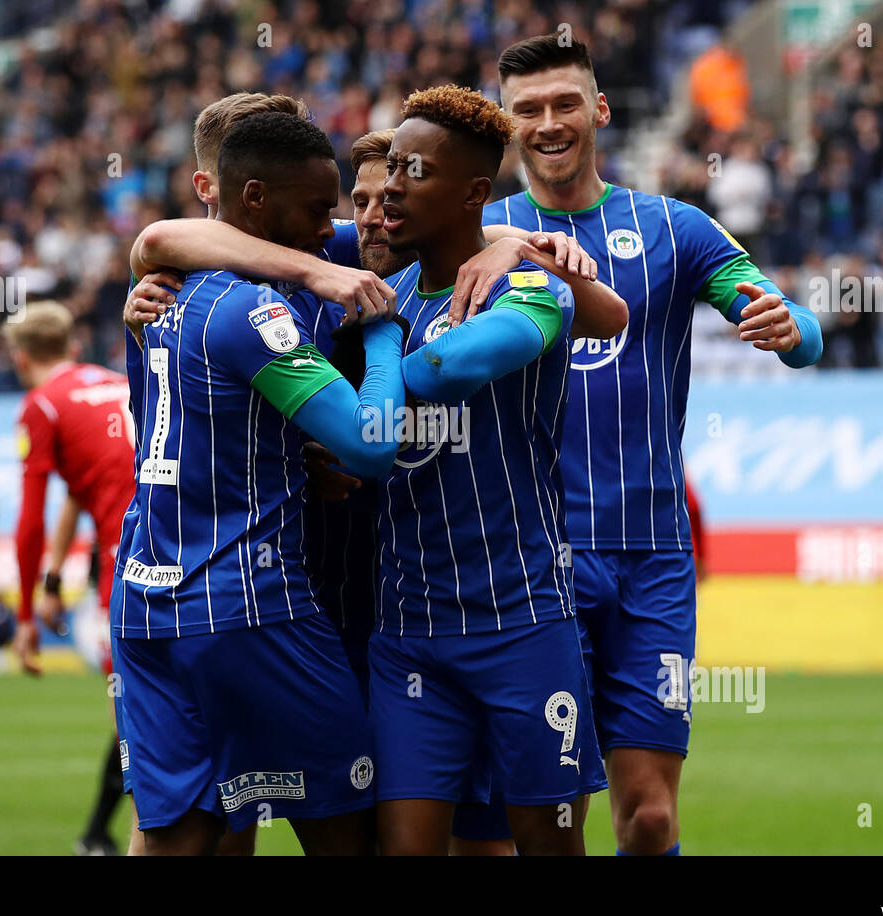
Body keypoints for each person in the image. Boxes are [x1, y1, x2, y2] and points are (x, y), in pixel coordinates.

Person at [482, 33, 823, 855]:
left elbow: (803, 331)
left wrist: (787, 323)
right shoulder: (479, 233)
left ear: (599, 110)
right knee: (548, 817)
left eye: (566, 103)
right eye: (528, 109)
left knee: (651, 816)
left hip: (649, 558)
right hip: (530, 560)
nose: (550, 122)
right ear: (507, 124)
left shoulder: (673, 228)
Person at [111, 111, 410, 855]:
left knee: (187, 833)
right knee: (355, 831)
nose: (330, 226)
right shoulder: (254, 306)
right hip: (249, 602)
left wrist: (281, 451)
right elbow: (371, 446)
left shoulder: (167, 291)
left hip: (144, 601)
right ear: (249, 199)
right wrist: (379, 331)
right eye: (318, 209)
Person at [366, 84, 607, 856]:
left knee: (549, 842)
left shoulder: (531, 290)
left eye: (415, 172)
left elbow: (446, 368)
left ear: (475, 193)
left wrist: (374, 342)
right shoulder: (385, 286)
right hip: (408, 633)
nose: (392, 187)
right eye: (391, 166)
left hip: (522, 620)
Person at [2, 300, 138, 856]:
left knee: (133, 722)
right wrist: (57, 580)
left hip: (129, 571)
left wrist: (27, 618)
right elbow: (86, 487)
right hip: (190, 545)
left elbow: (29, 522)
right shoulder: (117, 383)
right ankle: (99, 836)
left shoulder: (43, 406)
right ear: (73, 347)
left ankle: (131, 839)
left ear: (18, 358)